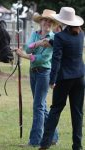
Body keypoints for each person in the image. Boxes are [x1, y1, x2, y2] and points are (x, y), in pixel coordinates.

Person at [39, 7, 84, 150]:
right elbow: (69, 45)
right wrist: (52, 42)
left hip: (64, 78)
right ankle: (77, 145)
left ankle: (45, 143)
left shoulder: (59, 37)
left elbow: (57, 60)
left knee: (55, 110)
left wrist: (52, 81)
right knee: (77, 112)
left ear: (62, 21)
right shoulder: (81, 34)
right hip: (80, 77)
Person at [16, 9, 58, 147]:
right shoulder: (35, 34)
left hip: (44, 73)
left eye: (49, 21)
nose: (47, 23)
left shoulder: (53, 39)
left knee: (38, 107)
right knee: (41, 106)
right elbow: (28, 48)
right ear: (40, 22)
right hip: (33, 72)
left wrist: (26, 55)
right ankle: (54, 136)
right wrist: (38, 44)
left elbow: (42, 59)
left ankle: (35, 141)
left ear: (52, 24)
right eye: (44, 20)